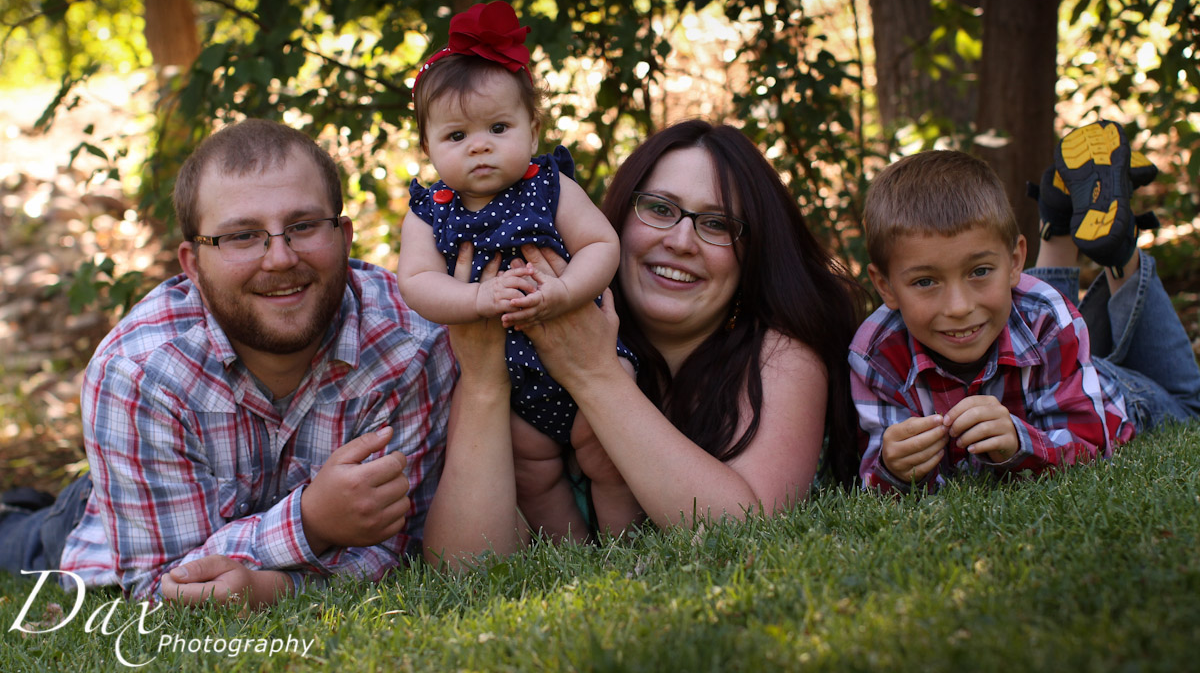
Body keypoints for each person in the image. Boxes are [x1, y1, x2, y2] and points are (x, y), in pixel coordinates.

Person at [0, 119, 455, 604]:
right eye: (241, 236)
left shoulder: (411, 344)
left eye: (302, 226)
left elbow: (397, 548)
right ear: (193, 264)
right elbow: (163, 585)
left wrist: (267, 584)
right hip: (109, 520)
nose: (279, 258)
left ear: (344, 237)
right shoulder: (138, 370)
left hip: (200, 509)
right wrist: (310, 522)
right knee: (17, 543)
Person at [422, 120, 864, 568]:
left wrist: (594, 373)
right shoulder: (524, 345)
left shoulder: (780, 357)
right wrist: (482, 381)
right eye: (659, 209)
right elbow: (460, 569)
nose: (680, 241)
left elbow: (751, 536)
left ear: (754, 250)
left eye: (717, 223)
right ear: (616, 218)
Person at [852, 121, 1200, 493]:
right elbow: (876, 481)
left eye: (979, 271)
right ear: (885, 286)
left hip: (1116, 392)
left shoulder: (1048, 317)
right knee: (1027, 309)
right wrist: (893, 468)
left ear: (1016, 259)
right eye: (925, 282)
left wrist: (1020, 444)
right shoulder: (874, 354)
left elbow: (1090, 441)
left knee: (1190, 408)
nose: (958, 307)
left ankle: (1119, 252)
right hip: (1058, 362)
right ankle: (1058, 219)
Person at [397, 0, 637, 540]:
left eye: (498, 127)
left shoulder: (549, 187)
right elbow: (416, 283)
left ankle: (628, 548)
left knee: (609, 455)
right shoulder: (429, 210)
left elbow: (602, 243)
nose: (479, 145)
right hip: (506, 376)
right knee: (531, 473)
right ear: (428, 148)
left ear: (532, 131)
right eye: (456, 137)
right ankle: (571, 557)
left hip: (587, 352)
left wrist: (567, 292)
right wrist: (477, 302)